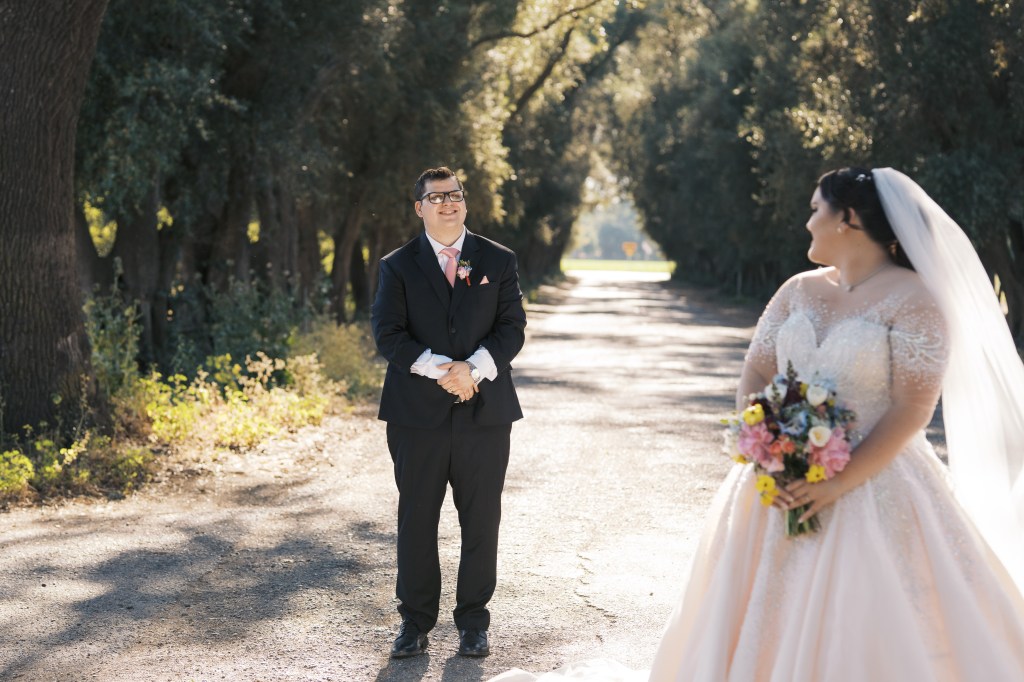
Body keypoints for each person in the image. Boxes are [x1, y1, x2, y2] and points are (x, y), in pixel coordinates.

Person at [492, 167, 1024, 681]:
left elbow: (912, 409)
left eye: (816, 209)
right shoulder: (797, 290)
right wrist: (765, 443)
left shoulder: (915, 298)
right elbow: (756, 371)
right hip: (774, 481)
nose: (807, 221)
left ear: (850, 219)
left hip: (876, 483)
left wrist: (838, 479)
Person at [372, 166, 527, 660]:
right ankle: (414, 622)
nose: (447, 203)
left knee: (481, 518)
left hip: (485, 413)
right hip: (416, 415)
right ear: (419, 208)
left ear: (464, 202)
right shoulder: (396, 266)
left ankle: (473, 622)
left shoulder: (497, 260)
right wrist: (444, 370)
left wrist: (473, 372)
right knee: (417, 516)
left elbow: (512, 327)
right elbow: (388, 334)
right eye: (435, 197)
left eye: (454, 195)